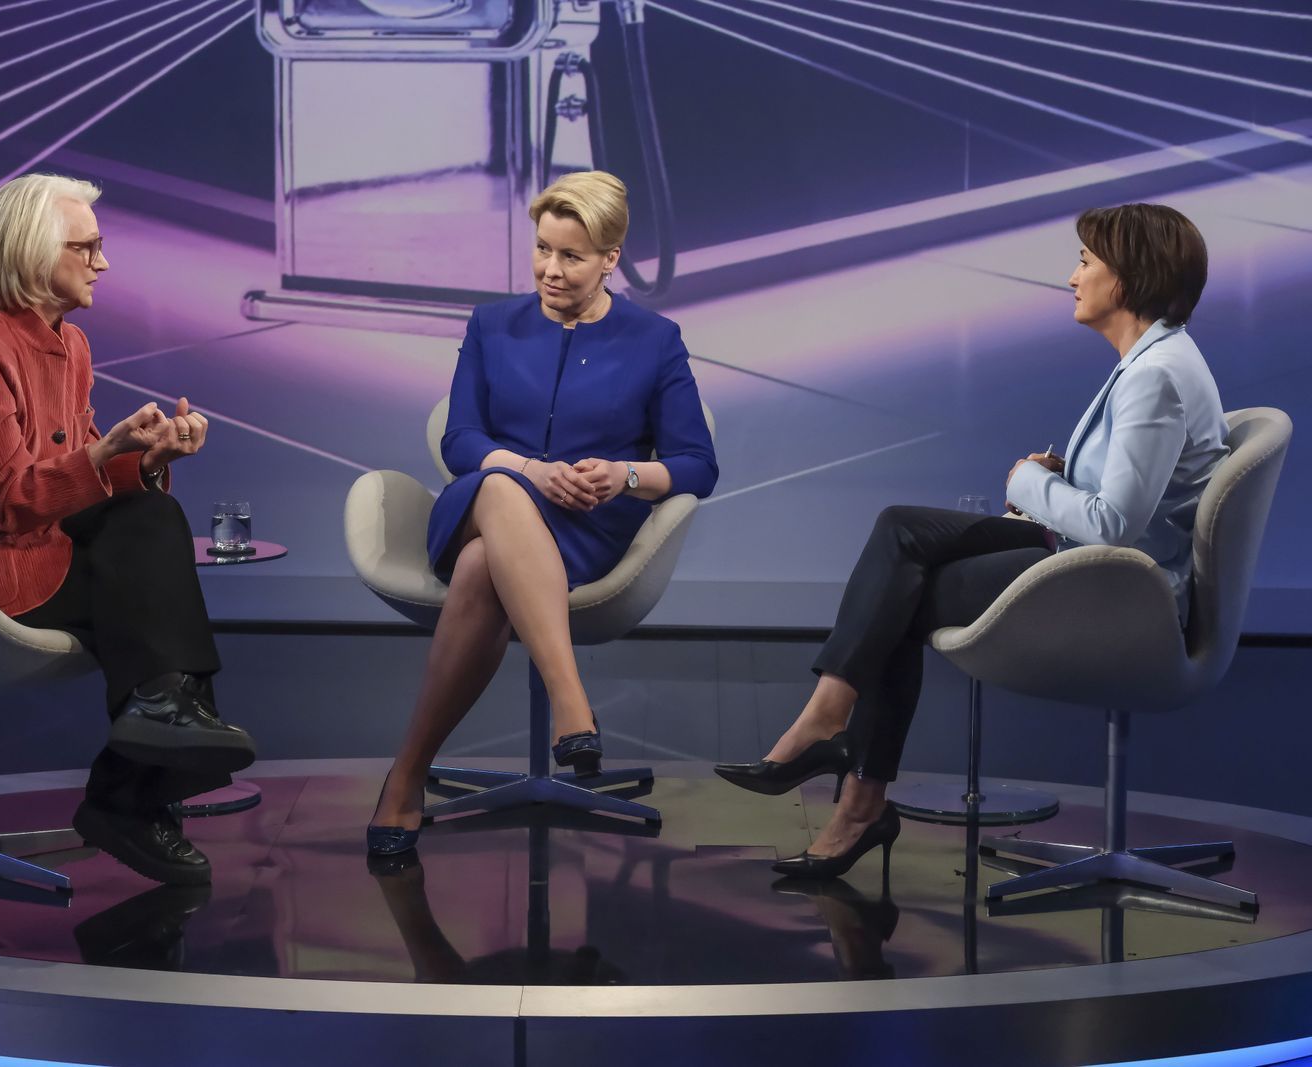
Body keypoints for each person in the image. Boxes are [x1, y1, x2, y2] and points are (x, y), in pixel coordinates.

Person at [716, 203, 1227, 880]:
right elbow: (1133, 496)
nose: (1071, 277)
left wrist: (1026, 479)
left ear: (1127, 279)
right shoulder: (1157, 360)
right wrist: (1058, 476)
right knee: (901, 528)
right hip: (1086, 563)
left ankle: (850, 780)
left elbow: (1113, 525)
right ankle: (836, 741)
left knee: (900, 593)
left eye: (1084, 261)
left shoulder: (1156, 375)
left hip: (1115, 592)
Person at [0, 173, 256, 886]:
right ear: (30, 252)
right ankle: (136, 775)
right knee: (143, 551)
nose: (102, 263)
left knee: (150, 510)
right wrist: (100, 452)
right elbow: (4, 501)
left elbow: (73, 486)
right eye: (86, 248)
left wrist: (143, 457)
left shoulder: (71, 344)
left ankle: (160, 720)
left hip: (28, 541)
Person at [366, 170, 718, 856]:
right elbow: (460, 439)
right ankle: (571, 703)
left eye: (571, 255)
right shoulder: (492, 324)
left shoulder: (655, 340)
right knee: (500, 491)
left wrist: (624, 474)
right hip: (481, 502)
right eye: (542, 249)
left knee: (479, 570)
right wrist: (529, 470)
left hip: (586, 529)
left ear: (611, 259)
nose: (550, 269)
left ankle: (405, 777)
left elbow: (697, 464)